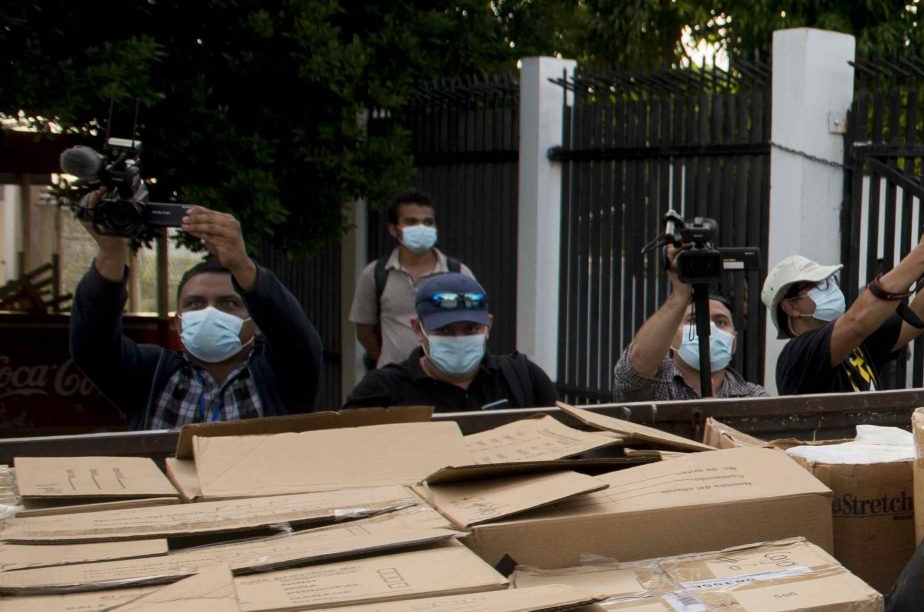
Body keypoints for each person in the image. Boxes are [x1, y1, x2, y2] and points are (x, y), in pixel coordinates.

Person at [68, 204, 324, 429]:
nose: (209, 312)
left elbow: (298, 339)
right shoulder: (149, 374)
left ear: (256, 323)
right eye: (195, 303)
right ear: (178, 321)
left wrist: (242, 266)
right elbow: (92, 344)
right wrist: (111, 253)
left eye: (228, 303)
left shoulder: (278, 378)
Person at [764, 217, 924, 395]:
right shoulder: (797, 356)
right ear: (791, 308)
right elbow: (856, 322)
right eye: (818, 286)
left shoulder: (858, 343)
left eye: (830, 281)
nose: (830, 289)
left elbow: (917, 319)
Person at [344, 272, 560, 412]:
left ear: (488, 326)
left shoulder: (523, 378)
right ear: (418, 329)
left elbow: (571, 448)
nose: (459, 339)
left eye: (471, 329)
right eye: (444, 330)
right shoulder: (381, 392)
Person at [614, 245, 769, 402]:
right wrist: (680, 295)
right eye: (694, 320)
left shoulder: (753, 397)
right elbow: (635, 370)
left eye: (721, 322)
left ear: (734, 342)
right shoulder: (656, 386)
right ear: (671, 337)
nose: (708, 327)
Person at [349, 190, 473, 372]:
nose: (421, 228)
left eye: (428, 222)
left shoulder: (459, 274)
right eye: (411, 222)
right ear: (393, 229)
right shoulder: (375, 274)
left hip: (445, 378)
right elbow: (364, 331)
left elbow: (475, 327)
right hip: (394, 382)